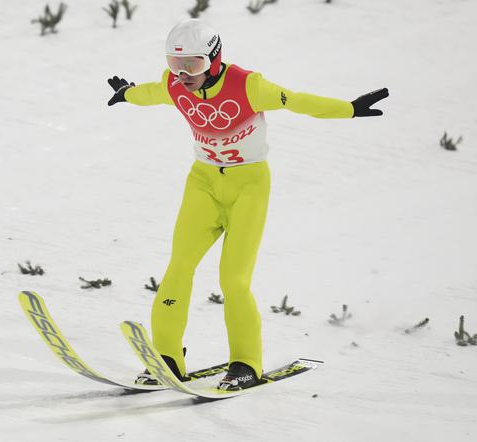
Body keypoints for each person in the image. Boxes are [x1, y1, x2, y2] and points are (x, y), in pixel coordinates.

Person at [107, 18, 388, 390]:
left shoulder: (248, 86)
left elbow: (299, 101)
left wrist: (348, 108)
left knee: (233, 280)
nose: (182, 75)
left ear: (214, 58)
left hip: (249, 187)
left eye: (191, 64)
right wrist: (127, 92)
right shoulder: (174, 86)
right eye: (175, 65)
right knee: (178, 268)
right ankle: (168, 358)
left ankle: (245, 363)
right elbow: (151, 93)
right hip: (203, 183)